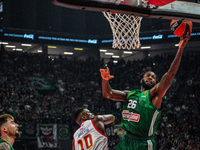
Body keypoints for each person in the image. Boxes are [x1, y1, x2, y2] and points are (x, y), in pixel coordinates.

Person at [100, 32, 191, 150]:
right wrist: (105, 80)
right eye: (148, 75)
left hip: (143, 142)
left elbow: (170, 74)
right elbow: (108, 93)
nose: (150, 78)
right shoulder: (130, 94)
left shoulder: (155, 95)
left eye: (153, 78)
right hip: (126, 140)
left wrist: (180, 49)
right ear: (141, 79)